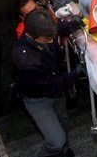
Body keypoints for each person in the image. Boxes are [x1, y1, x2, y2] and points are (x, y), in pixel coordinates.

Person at [12, 9, 85, 157]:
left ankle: (64, 152)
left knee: (63, 124)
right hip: (38, 99)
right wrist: (76, 73)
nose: (51, 42)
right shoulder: (26, 60)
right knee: (56, 141)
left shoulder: (44, 28)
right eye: (46, 40)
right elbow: (52, 85)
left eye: (51, 37)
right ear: (29, 36)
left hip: (57, 91)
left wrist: (72, 24)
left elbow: (58, 30)